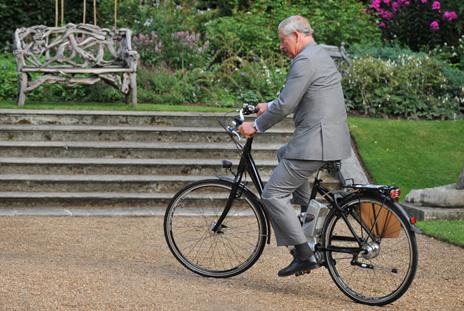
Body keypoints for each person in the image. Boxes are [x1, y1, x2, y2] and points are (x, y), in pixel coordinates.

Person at [239, 15, 351, 277]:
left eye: (282, 40)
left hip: (317, 142)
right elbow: (295, 96)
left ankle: (303, 254)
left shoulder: (304, 60)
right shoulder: (318, 55)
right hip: (328, 138)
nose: (281, 46)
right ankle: (306, 215)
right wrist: (269, 105)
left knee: (272, 195)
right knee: (284, 153)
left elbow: (287, 104)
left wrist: (256, 125)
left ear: (297, 36)